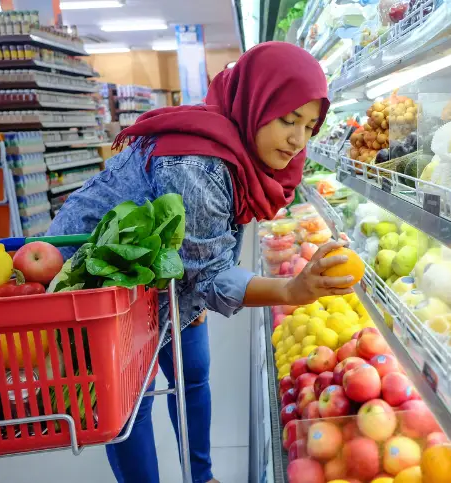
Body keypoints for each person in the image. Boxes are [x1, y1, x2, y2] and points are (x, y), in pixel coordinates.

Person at [46, 42, 350, 483]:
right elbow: (207, 273)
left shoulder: (238, 147)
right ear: (255, 101)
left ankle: (201, 476)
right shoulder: (198, 163)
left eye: (309, 125)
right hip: (105, 279)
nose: (297, 139)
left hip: (166, 269)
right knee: (133, 400)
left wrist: (201, 278)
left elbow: (204, 256)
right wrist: (289, 290)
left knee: (192, 374)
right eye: (287, 119)